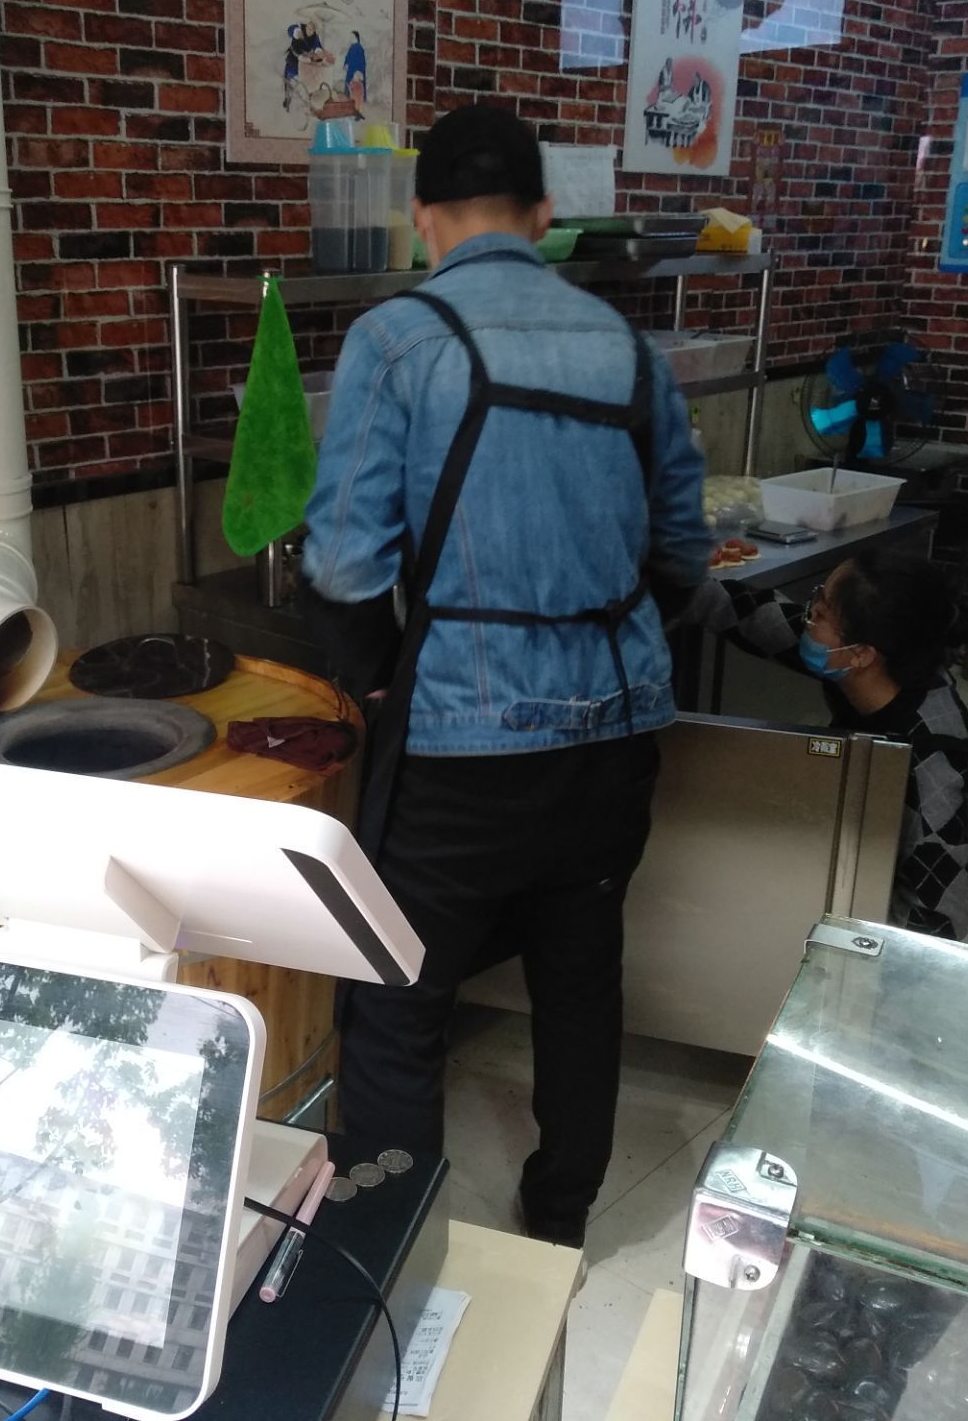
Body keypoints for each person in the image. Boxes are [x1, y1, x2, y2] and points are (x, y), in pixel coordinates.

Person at [300, 103, 711, 1248]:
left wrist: (382, 682)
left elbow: (342, 565)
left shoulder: (397, 339)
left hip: (460, 743)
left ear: (423, 217)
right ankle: (562, 1214)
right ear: (541, 215)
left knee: (398, 1000)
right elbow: (684, 553)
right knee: (579, 982)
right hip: (613, 738)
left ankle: (392, 1247)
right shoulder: (629, 349)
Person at [683, 549, 968, 939]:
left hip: (884, 924)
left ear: (861, 654)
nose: (807, 618)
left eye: (820, 613)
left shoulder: (934, 765)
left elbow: (939, 922)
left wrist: (847, 953)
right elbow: (752, 615)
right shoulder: (877, 661)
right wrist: (671, 582)